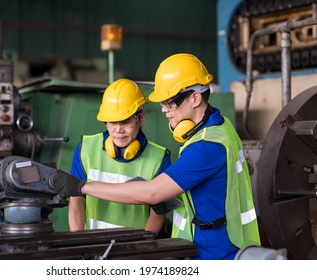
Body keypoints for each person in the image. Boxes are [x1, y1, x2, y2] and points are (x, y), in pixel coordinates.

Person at [57, 53, 261, 260]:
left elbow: (153, 193)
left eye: (170, 103)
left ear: (195, 98)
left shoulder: (206, 146)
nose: (164, 110)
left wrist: (82, 186)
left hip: (214, 252)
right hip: (212, 245)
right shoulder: (220, 126)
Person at [68, 78, 172, 234]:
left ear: (141, 118)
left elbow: (158, 214)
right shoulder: (86, 149)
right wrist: (78, 243)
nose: (118, 130)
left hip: (133, 251)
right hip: (93, 247)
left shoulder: (159, 159)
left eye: (125, 122)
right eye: (112, 122)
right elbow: (76, 202)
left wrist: (141, 248)